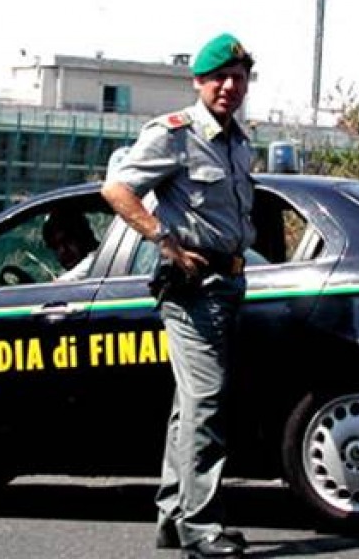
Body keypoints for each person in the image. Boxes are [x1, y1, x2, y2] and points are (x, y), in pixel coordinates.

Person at [101, 32, 255, 559]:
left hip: (228, 283)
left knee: (190, 405)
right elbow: (116, 189)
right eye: (219, 78)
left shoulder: (238, 141)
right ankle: (200, 525)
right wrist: (163, 240)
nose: (229, 87)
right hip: (192, 287)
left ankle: (173, 515)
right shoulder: (174, 134)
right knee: (206, 401)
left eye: (238, 78)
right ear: (198, 82)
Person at [41, 208, 98, 281]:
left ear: (83, 236)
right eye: (55, 246)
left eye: (67, 240)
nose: (62, 250)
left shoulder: (100, 259)